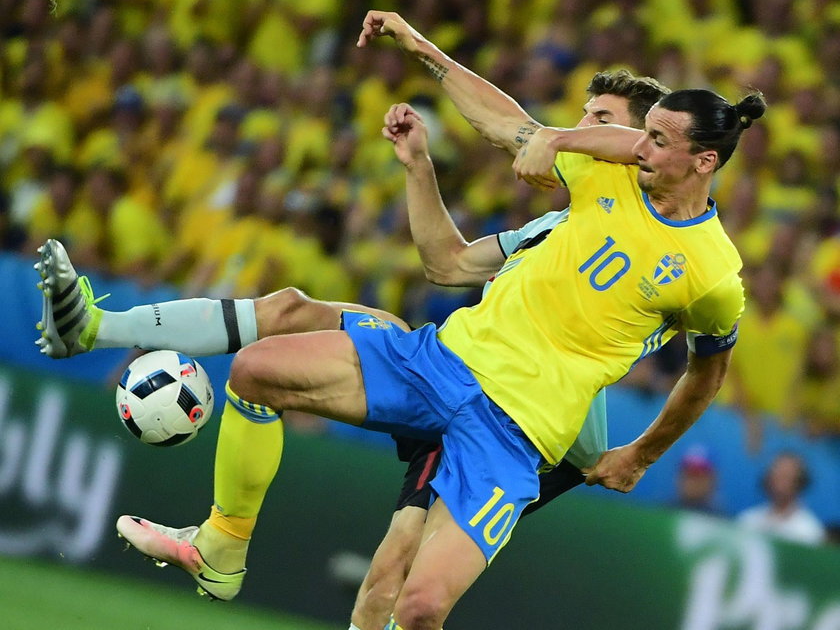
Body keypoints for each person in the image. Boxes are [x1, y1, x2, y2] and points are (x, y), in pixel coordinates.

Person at [108, 79, 762, 630]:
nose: (633, 146)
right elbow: (464, 230)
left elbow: (708, 373)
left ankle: (99, 329)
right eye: (635, 133)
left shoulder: (709, 274)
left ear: (704, 160)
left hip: (522, 432)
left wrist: (638, 454)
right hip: (443, 365)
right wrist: (425, 68)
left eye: (652, 138)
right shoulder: (589, 192)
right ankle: (222, 545)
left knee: (417, 603)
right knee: (257, 368)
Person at [737, 451, 826, 545]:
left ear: (799, 482)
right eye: (776, 474)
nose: (779, 482)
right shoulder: (748, 520)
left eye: (786, 476)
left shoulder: (809, 530)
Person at [672, 444, 721, 515]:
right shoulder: (662, 515)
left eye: (700, 474)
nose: (694, 481)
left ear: (713, 479)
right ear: (678, 477)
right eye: (690, 473)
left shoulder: (721, 522)